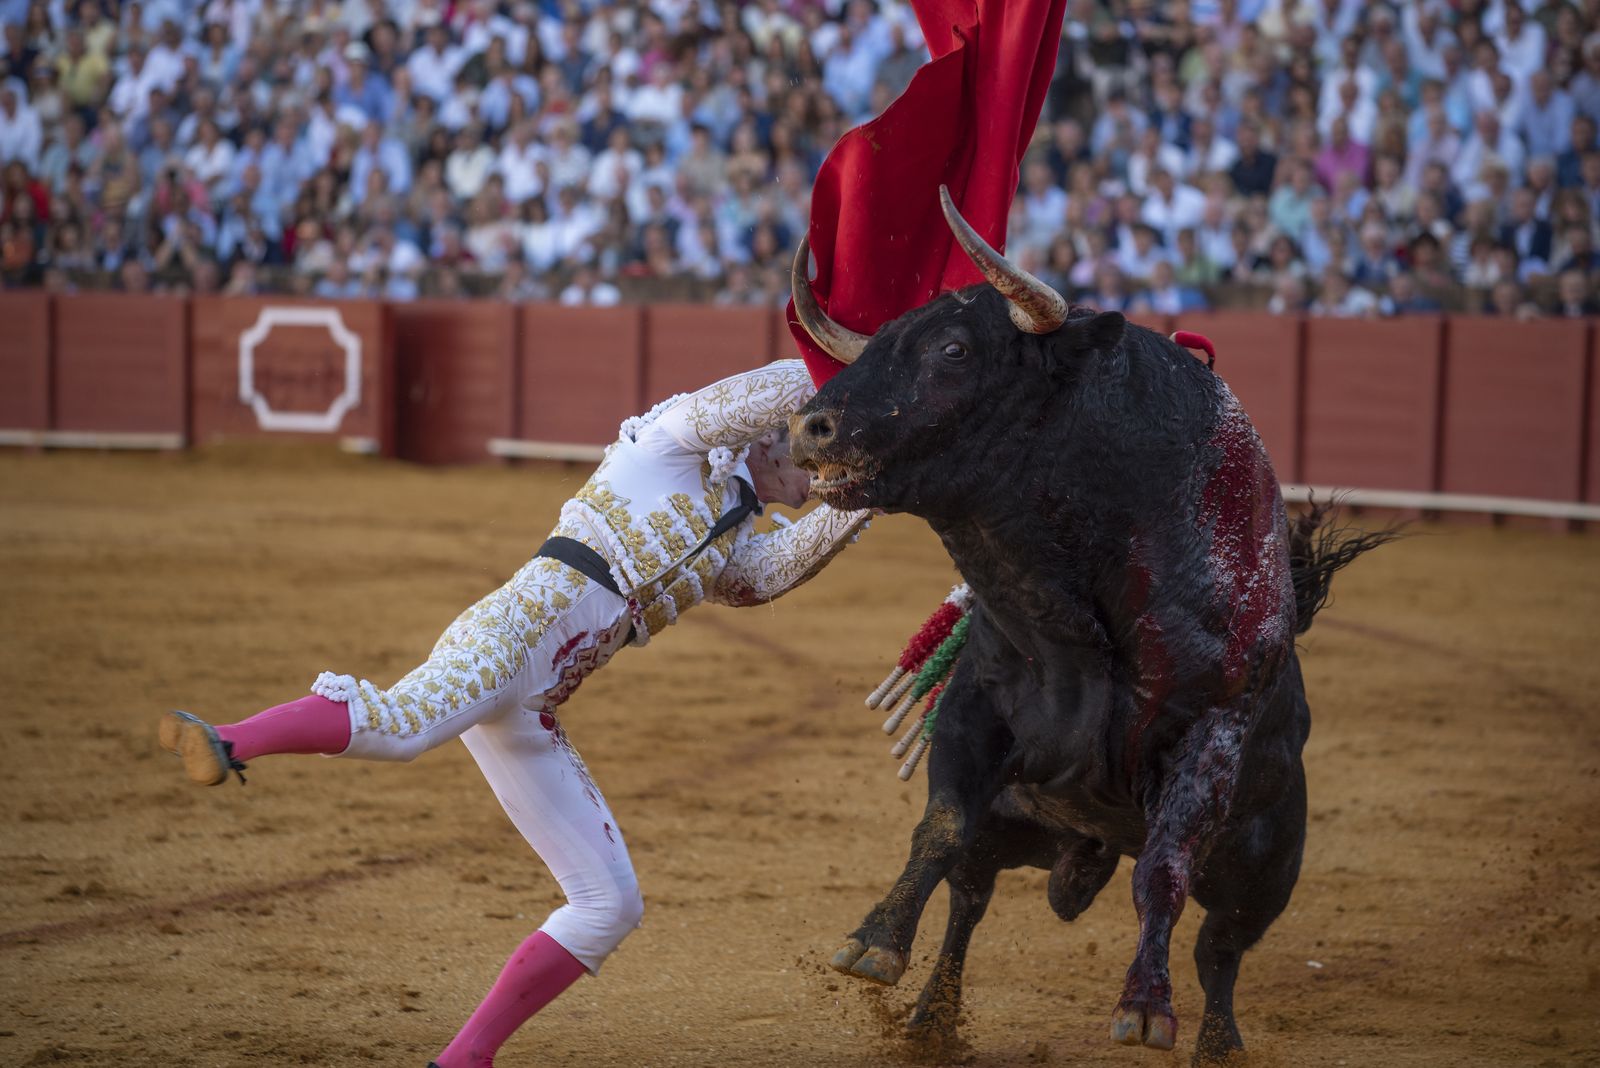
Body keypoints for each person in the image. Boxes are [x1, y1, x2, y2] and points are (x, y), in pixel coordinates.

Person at [157, 362, 868, 1068]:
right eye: (823, 453)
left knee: (609, 904)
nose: (821, 480)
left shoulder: (733, 542)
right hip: (505, 639)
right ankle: (226, 738)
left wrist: (874, 490)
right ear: (780, 436)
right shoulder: (669, 440)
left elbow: (771, 573)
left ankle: (465, 1058)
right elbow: (782, 384)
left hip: (536, 705)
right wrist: (853, 370)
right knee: (400, 726)